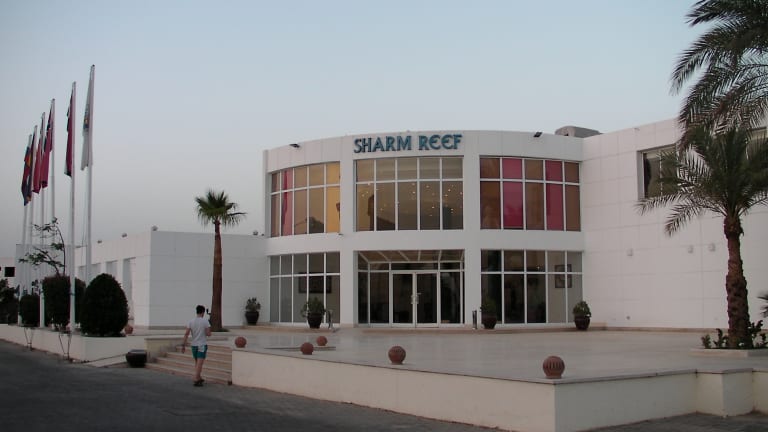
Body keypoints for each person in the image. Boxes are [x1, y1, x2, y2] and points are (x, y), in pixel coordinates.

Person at [181, 305, 211, 387]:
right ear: (203, 312)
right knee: (199, 363)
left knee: (197, 363)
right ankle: (196, 378)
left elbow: (186, 334)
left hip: (194, 345)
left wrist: (183, 345)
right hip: (202, 345)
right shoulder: (205, 321)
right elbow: (208, 334)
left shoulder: (191, 321)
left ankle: (199, 377)